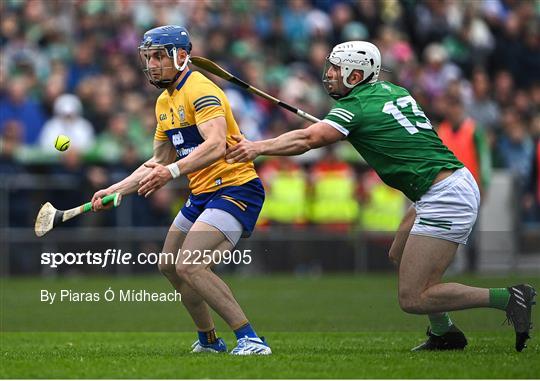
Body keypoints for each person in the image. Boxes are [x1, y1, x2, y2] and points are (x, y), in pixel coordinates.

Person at [225, 41, 536, 352]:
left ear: (356, 75)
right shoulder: (394, 90)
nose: (329, 74)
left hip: (445, 193)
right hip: (438, 187)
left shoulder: (356, 107)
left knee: (413, 297)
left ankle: (509, 298)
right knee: (398, 252)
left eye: (337, 69)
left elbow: (309, 138)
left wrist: (258, 146)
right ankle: (444, 333)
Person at [91, 25, 271, 356]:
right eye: (149, 57)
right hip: (203, 193)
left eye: (159, 56)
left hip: (235, 187)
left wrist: (171, 172)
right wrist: (114, 190)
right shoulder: (164, 101)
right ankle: (209, 341)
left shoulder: (201, 91)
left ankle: (251, 339)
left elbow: (216, 145)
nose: (152, 64)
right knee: (169, 265)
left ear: (182, 56)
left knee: (191, 265)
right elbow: (158, 161)